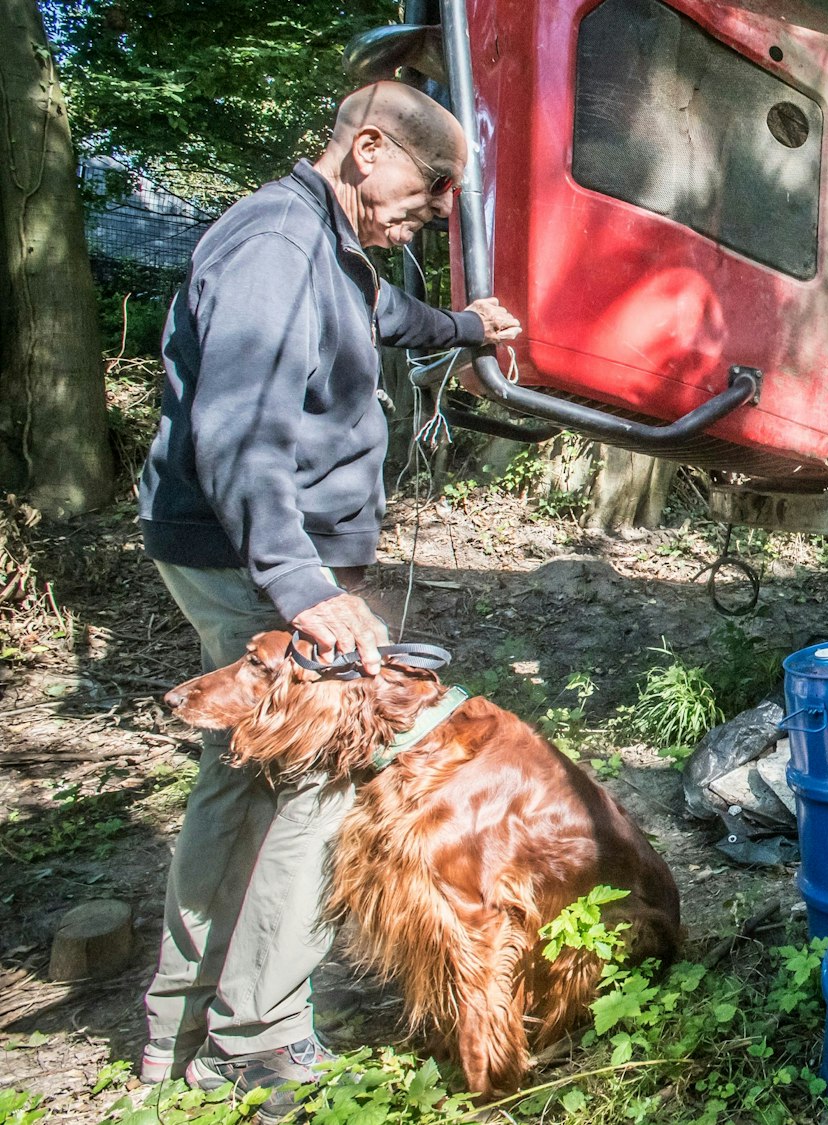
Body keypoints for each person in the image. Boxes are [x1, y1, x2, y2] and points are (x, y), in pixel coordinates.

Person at [133, 81, 520, 1116]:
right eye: (433, 184)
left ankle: (182, 1024)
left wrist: (465, 326)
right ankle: (253, 1042)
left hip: (264, 552)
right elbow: (238, 431)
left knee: (242, 774)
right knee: (309, 779)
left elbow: (386, 316)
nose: (439, 207)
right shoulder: (274, 245)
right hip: (252, 556)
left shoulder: (337, 251)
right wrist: (303, 585)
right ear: (368, 148)